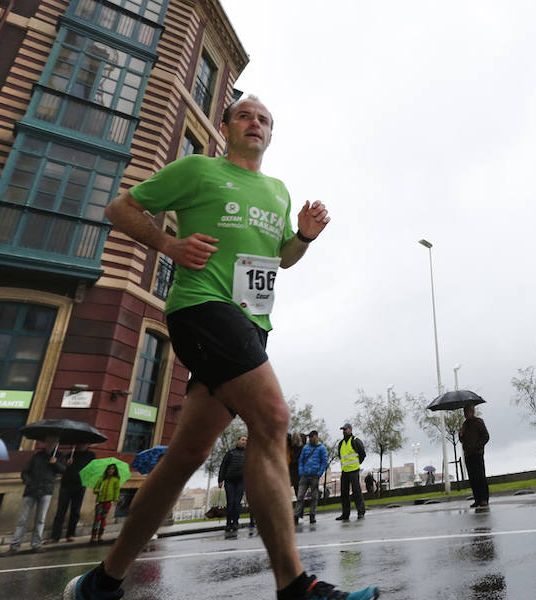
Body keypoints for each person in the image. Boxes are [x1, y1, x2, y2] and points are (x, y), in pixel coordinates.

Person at [63, 96, 379, 600]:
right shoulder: (197, 170)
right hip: (202, 308)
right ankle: (295, 586)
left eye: (265, 120)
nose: (256, 123)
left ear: (271, 135)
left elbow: (282, 260)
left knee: (188, 452)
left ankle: (103, 582)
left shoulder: (277, 190)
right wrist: (169, 245)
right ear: (225, 127)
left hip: (252, 324)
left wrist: (303, 236)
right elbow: (120, 207)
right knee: (273, 417)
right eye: (246, 116)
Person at [10, 438, 65, 553]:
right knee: (22, 519)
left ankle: (36, 544)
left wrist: (55, 464)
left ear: (56, 444)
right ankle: (14, 546)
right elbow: (25, 472)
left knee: (40, 519)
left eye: (52, 442)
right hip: (31, 490)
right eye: (48, 441)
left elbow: (64, 470)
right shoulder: (37, 456)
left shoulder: (59, 456)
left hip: (46, 490)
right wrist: (29, 483)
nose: (50, 444)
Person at [47, 443, 95, 544]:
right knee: (61, 511)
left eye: (84, 443)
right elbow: (62, 469)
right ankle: (55, 536)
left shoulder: (90, 456)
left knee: (75, 511)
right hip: (66, 485)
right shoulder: (69, 455)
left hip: (80, 485)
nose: (81, 445)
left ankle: (71, 534)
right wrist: (67, 464)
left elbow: (92, 470)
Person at [459, 405, 490, 508]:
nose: (465, 414)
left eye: (467, 411)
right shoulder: (464, 425)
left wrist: (478, 447)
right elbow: (462, 440)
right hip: (468, 454)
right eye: (464, 412)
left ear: (472, 411)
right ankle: (477, 499)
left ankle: (484, 499)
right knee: (472, 478)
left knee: (480, 476)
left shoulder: (478, 422)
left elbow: (486, 436)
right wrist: (460, 435)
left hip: (477, 453)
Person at [294, 430, 327, 525]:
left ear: (316, 436)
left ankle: (312, 515)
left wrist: (319, 473)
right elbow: (301, 460)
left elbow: (324, 462)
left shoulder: (321, 448)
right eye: (309, 437)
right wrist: (301, 471)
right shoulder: (305, 448)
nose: (310, 439)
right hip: (304, 475)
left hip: (314, 476)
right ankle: (296, 516)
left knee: (314, 497)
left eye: (312, 437)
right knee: (300, 496)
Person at [335, 423, 366, 521]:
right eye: (343, 430)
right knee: (344, 494)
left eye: (345, 429)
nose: (344, 431)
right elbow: (341, 456)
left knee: (356, 492)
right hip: (345, 471)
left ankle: (360, 512)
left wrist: (357, 464)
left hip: (354, 471)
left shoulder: (355, 441)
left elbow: (362, 454)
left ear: (350, 430)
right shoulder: (341, 443)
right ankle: (345, 514)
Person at [219, 435, 247, 536]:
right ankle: (228, 523)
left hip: (241, 481)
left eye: (246, 440)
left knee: (237, 503)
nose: (244, 442)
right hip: (229, 481)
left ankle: (235, 522)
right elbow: (223, 466)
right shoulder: (230, 453)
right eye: (242, 440)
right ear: (238, 441)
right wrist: (220, 480)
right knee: (230, 502)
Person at [91, 463, 121, 543]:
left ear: (115, 471)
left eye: (112, 469)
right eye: (109, 469)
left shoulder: (116, 480)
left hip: (108, 502)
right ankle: (93, 536)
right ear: (107, 470)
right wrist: (98, 490)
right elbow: (95, 489)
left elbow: (116, 490)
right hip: (100, 501)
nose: (110, 470)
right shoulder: (101, 478)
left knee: (103, 518)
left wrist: (116, 499)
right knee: (97, 518)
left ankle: (100, 536)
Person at [287, 432, 306, 499]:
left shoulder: (294, 449)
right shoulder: (301, 448)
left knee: (298, 490)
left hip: (296, 472)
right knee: (298, 490)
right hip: (297, 472)